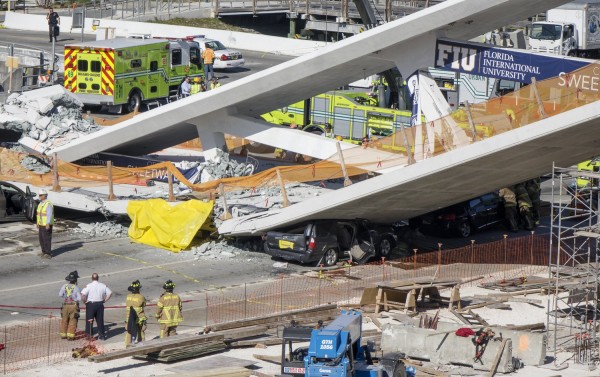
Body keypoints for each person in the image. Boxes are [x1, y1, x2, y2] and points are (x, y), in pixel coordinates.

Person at [81, 273, 112, 340]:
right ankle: (102, 335)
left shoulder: (89, 286)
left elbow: (83, 295)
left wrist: (85, 302)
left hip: (91, 305)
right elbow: (110, 293)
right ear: (98, 278)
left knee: (89, 321)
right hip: (100, 304)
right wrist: (104, 300)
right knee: (100, 321)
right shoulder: (103, 285)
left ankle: (89, 336)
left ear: (92, 278)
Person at [59, 270, 81, 340]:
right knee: (73, 320)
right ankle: (70, 336)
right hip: (73, 305)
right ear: (75, 280)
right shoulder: (76, 288)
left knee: (64, 319)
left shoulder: (64, 286)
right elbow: (79, 298)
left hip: (65, 305)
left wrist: (66, 298)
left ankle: (63, 335)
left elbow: (60, 295)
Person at [124, 280, 146, 347]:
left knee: (129, 332)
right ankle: (141, 344)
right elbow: (144, 305)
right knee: (140, 332)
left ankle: (128, 345)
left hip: (129, 318)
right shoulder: (141, 297)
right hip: (139, 318)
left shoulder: (128, 296)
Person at [36, 189, 54, 259]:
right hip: (41, 224)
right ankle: (44, 252)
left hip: (46, 224)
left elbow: (49, 214)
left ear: (45, 196)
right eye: (39, 195)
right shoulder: (40, 204)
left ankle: (48, 253)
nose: (39, 196)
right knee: (41, 239)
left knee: (46, 238)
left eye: (41, 195)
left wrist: (48, 223)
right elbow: (39, 214)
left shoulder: (48, 204)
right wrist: (37, 223)